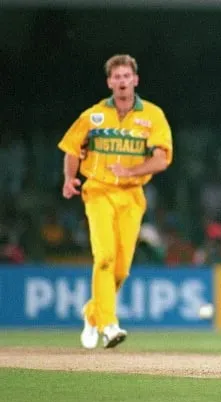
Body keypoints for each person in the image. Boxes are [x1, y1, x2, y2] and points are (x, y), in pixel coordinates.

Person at [58, 54, 173, 349]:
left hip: (132, 195)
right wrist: (70, 178)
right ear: (110, 82)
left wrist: (131, 171)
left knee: (121, 270)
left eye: (126, 76)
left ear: (135, 80)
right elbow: (72, 148)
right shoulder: (93, 115)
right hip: (98, 191)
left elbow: (161, 159)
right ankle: (109, 325)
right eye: (117, 77)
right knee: (105, 257)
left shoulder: (153, 116)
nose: (122, 82)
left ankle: (92, 313)